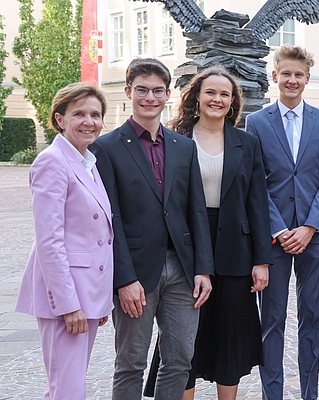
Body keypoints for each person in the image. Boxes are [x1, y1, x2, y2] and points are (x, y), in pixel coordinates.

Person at [143, 66, 273, 399]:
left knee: (230, 333)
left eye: (224, 94)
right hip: (184, 245)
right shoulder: (174, 139)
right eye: (210, 92)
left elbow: (257, 203)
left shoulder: (248, 143)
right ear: (196, 97)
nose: (217, 99)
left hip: (235, 250)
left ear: (233, 102)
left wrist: (262, 260)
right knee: (181, 332)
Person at [91, 58, 214, 400]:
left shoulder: (184, 147)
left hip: (182, 271)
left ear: (168, 94)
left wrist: (203, 268)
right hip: (136, 274)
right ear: (128, 92)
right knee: (131, 363)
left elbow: (196, 211)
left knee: (179, 361)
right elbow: (109, 218)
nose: (150, 97)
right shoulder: (107, 147)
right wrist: (123, 280)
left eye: (157, 91)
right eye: (142, 90)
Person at [245, 44, 319, 400]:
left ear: (307, 79)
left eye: (299, 74)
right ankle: (274, 395)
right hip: (273, 239)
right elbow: (254, 182)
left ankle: (309, 394)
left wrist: (310, 227)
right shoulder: (255, 122)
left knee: (311, 320)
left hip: (315, 238)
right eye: (286, 73)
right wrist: (281, 229)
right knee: (271, 322)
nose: (292, 80)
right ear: (275, 76)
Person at [15, 82, 112, 400]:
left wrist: (99, 300)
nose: (89, 121)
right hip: (67, 298)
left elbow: (97, 236)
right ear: (59, 119)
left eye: (96, 114)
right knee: (67, 390)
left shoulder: (87, 161)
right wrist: (69, 306)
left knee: (65, 388)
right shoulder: (52, 161)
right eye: (79, 114)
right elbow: (50, 241)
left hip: (88, 294)